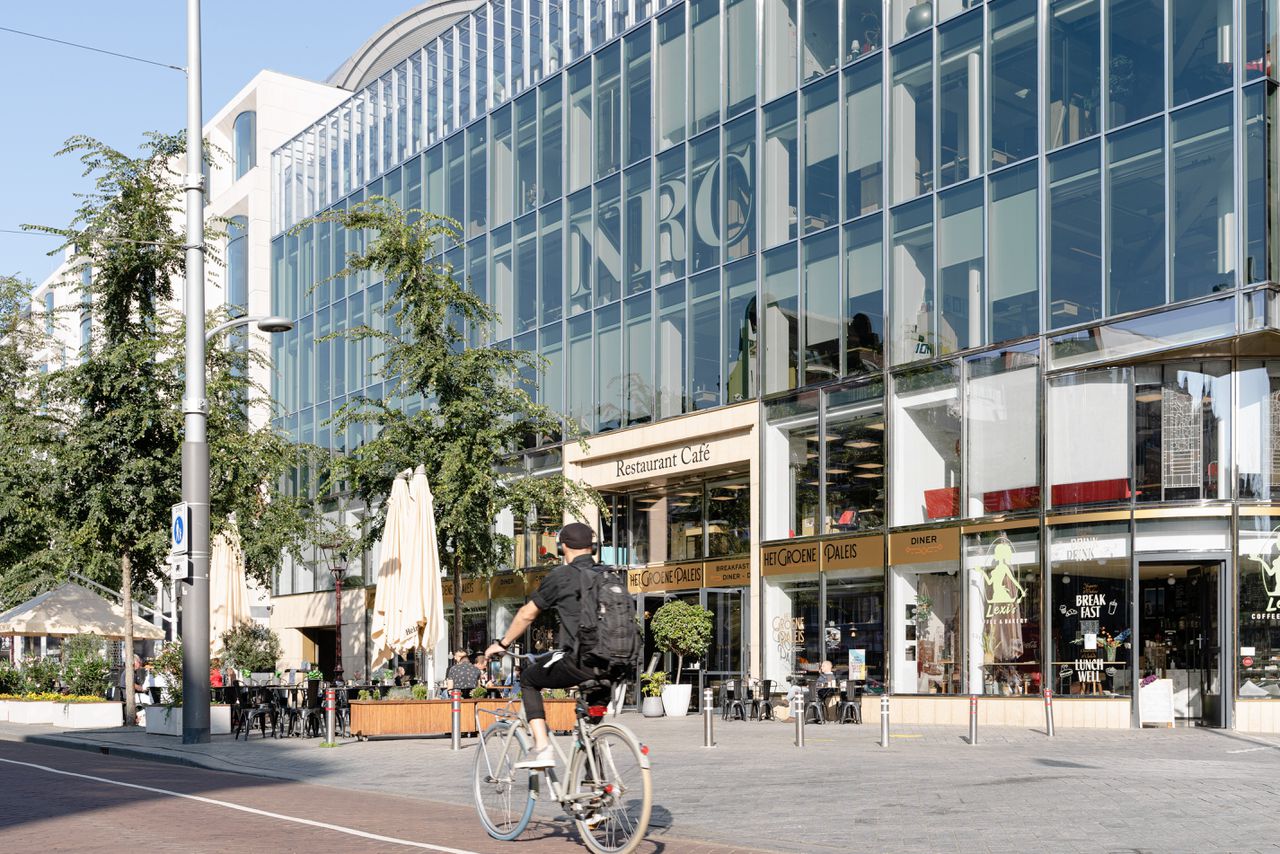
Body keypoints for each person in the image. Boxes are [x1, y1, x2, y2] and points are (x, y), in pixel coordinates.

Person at [485, 522, 614, 770]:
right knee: (588, 720)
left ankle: (542, 747)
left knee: (529, 679)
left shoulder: (561, 576)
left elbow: (526, 614)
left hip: (581, 660)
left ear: (562, 547)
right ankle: (594, 788)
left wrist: (502, 644)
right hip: (615, 664)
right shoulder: (609, 574)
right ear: (593, 547)